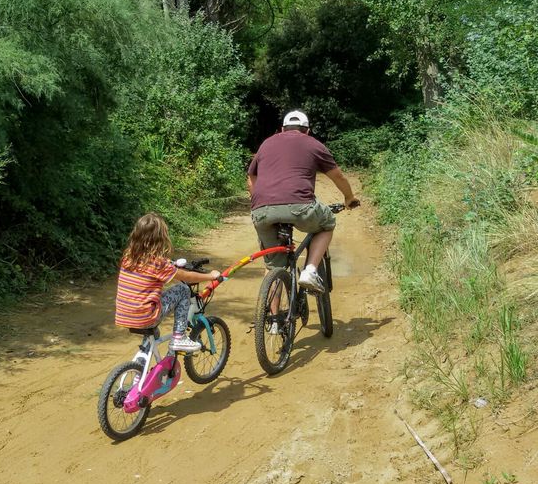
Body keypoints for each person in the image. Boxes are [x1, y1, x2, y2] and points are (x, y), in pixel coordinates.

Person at [247, 110, 359, 293]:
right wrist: (349, 197)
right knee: (327, 223)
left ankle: (274, 320)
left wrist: (258, 202)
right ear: (307, 130)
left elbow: (251, 177)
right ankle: (310, 271)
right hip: (300, 206)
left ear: (282, 129)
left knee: (273, 267)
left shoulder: (266, 143)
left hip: (262, 210)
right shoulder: (313, 144)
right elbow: (337, 176)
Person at [114, 213, 221, 352]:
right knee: (183, 290)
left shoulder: (128, 257)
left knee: (153, 335)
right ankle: (179, 337)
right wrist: (210, 276)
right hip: (146, 317)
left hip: (124, 315)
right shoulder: (158, 263)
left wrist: (170, 264)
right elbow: (186, 276)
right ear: (160, 239)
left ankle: (139, 369)